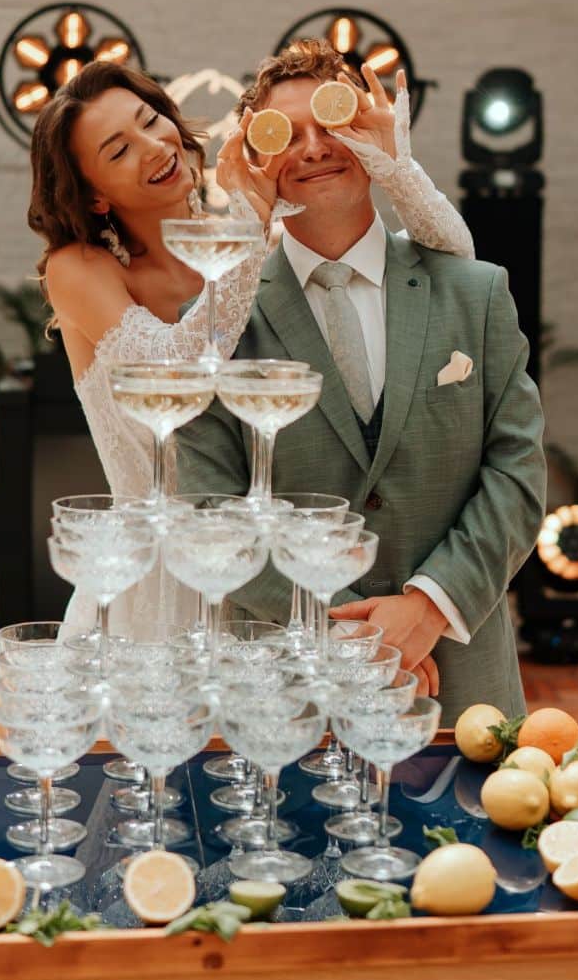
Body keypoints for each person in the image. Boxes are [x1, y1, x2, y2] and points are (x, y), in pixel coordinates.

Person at [28, 57, 477, 635]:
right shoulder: (79, 268)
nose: (154, 147)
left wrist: (396, 167)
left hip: (263, 578)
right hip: (153, 577)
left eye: (150, 121)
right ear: (94, 197)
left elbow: (457, 264)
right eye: (119, 151)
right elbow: (180, 373)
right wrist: (249, 226)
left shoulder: (250, 247)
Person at [176, 40, 546, 724]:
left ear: (371, 136)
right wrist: (347, 636)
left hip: (458, 680)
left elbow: (516, 473)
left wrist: (428, 607)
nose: (313, 147)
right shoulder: (219, 322)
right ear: (257, 158)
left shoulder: (476, 291)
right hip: (284, 692)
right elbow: (206, 510)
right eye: (284, 134)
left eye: (332, 123)